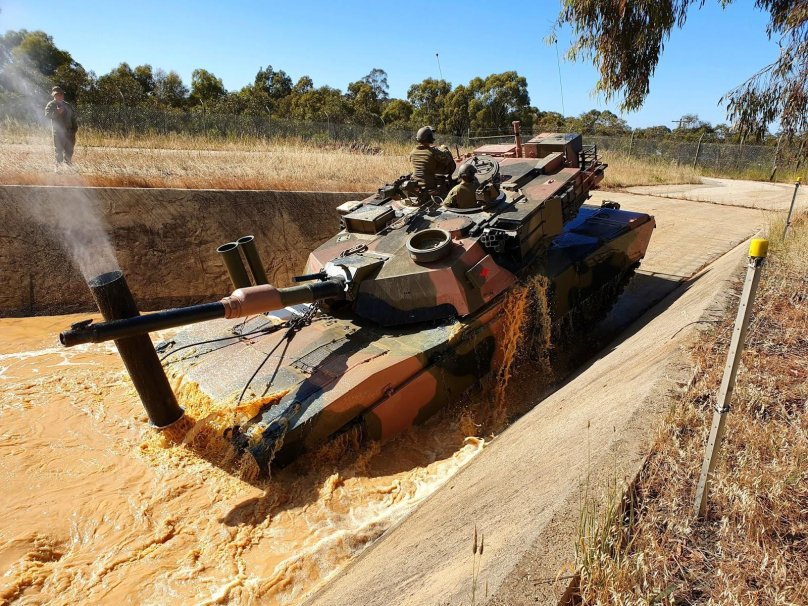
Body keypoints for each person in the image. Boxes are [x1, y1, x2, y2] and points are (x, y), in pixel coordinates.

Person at [409, 126, 456, 196]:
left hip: (416, 184)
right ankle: (450, 182)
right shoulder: (433, 152)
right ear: (429, 138)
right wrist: (444, 148)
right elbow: (448, 159)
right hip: (430, 186)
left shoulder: (412, 152)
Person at [44, 86, 78, 164]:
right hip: (58, 132)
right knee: (59, 150)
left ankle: (68, 164)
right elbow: (47, 115)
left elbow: (73, 117)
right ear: (54, 96)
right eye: (58, 94)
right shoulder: (51, 105)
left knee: (69, 149)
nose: (60, 96)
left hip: (70, 132)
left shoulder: (67, 105)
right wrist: (57, 112)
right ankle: (58, 167)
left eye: (61, 94)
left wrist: (75, 129)